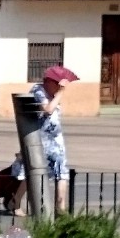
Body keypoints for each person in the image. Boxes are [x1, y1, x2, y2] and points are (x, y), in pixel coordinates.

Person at [32, 68, 74, 215]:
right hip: (40, 140)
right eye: (57, 84)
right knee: (30, 172)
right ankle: (15, 201)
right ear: (49, 81)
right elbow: (48, 109)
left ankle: (60, 209)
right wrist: (60, 93)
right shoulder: (38, 90)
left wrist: (57, 94)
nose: (59, 87)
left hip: (56, 141)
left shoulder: (52, 94)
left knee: (61, 172)